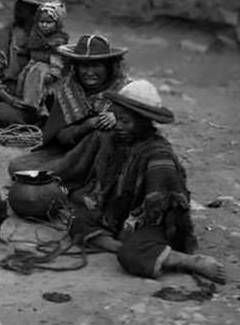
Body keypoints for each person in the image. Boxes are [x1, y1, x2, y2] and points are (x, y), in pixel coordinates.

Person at [69, 80, 226, 283]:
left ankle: (189, 261)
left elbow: (165, 210)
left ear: (143, 122)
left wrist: (133, 223)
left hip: (152, 222)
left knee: (131, 257)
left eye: (125, 121)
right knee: (77, 219)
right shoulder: (119, 143)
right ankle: (124, 246)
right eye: (117, 119)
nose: (118, 126)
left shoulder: (158, 155)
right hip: (120, 216)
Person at [8, 34, 132, 186]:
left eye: (97, 65)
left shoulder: (126, 91)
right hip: (70, 154)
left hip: (110, 162)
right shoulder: (67, 88)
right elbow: (61, 137)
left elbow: (142, 131)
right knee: (18, 166)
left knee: (105, 135)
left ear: (108, 66)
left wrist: (119, 119)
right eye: (84, 66)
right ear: (75, 66)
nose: (89, 72)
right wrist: (88, 124)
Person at [0, 0, 57, 126]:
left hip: (36, 98)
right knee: (3, 114)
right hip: (7, 98)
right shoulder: (3, 39)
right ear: (30, 15)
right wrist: (11, 100)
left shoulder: (48, 37)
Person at [15, 0, 69, 117]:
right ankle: (24, 102)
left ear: (57, 23)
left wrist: (54, 73)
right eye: (41, 21)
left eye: (49, 22)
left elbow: (58, 59)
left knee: (39, 84)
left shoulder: (57, 40)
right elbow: (31, 49)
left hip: (47, 68)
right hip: (33, 64)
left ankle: (34, 106)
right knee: (23, 78)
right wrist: (22, 51)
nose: (44, 25)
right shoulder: (36, 36)